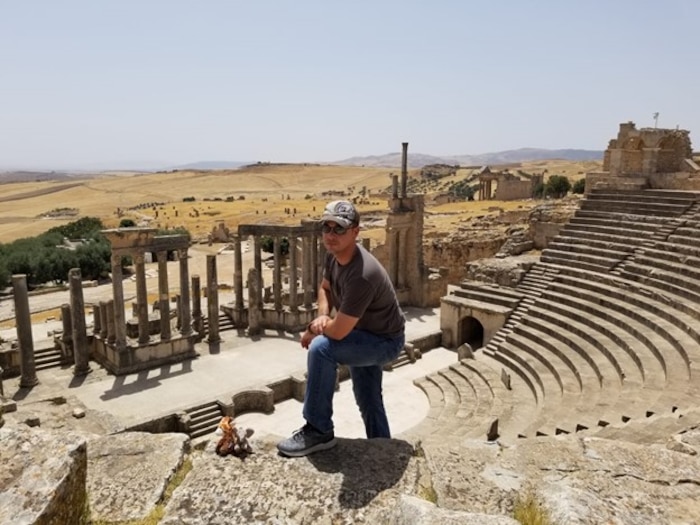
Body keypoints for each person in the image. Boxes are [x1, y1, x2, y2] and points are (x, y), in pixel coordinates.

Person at [277, 200, 406, 457]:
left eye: (339, 229)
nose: (331, 235)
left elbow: (336, 334)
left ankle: (318, 428)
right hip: (365, 333)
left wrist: (315, 329)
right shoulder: (334, 255)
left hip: (384, 340)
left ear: (355, 232)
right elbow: (325, 288)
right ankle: (384, 449)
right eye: (327, 227)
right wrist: (323, 316)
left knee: (321, 349)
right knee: (368, 397)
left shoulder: (362, 274)